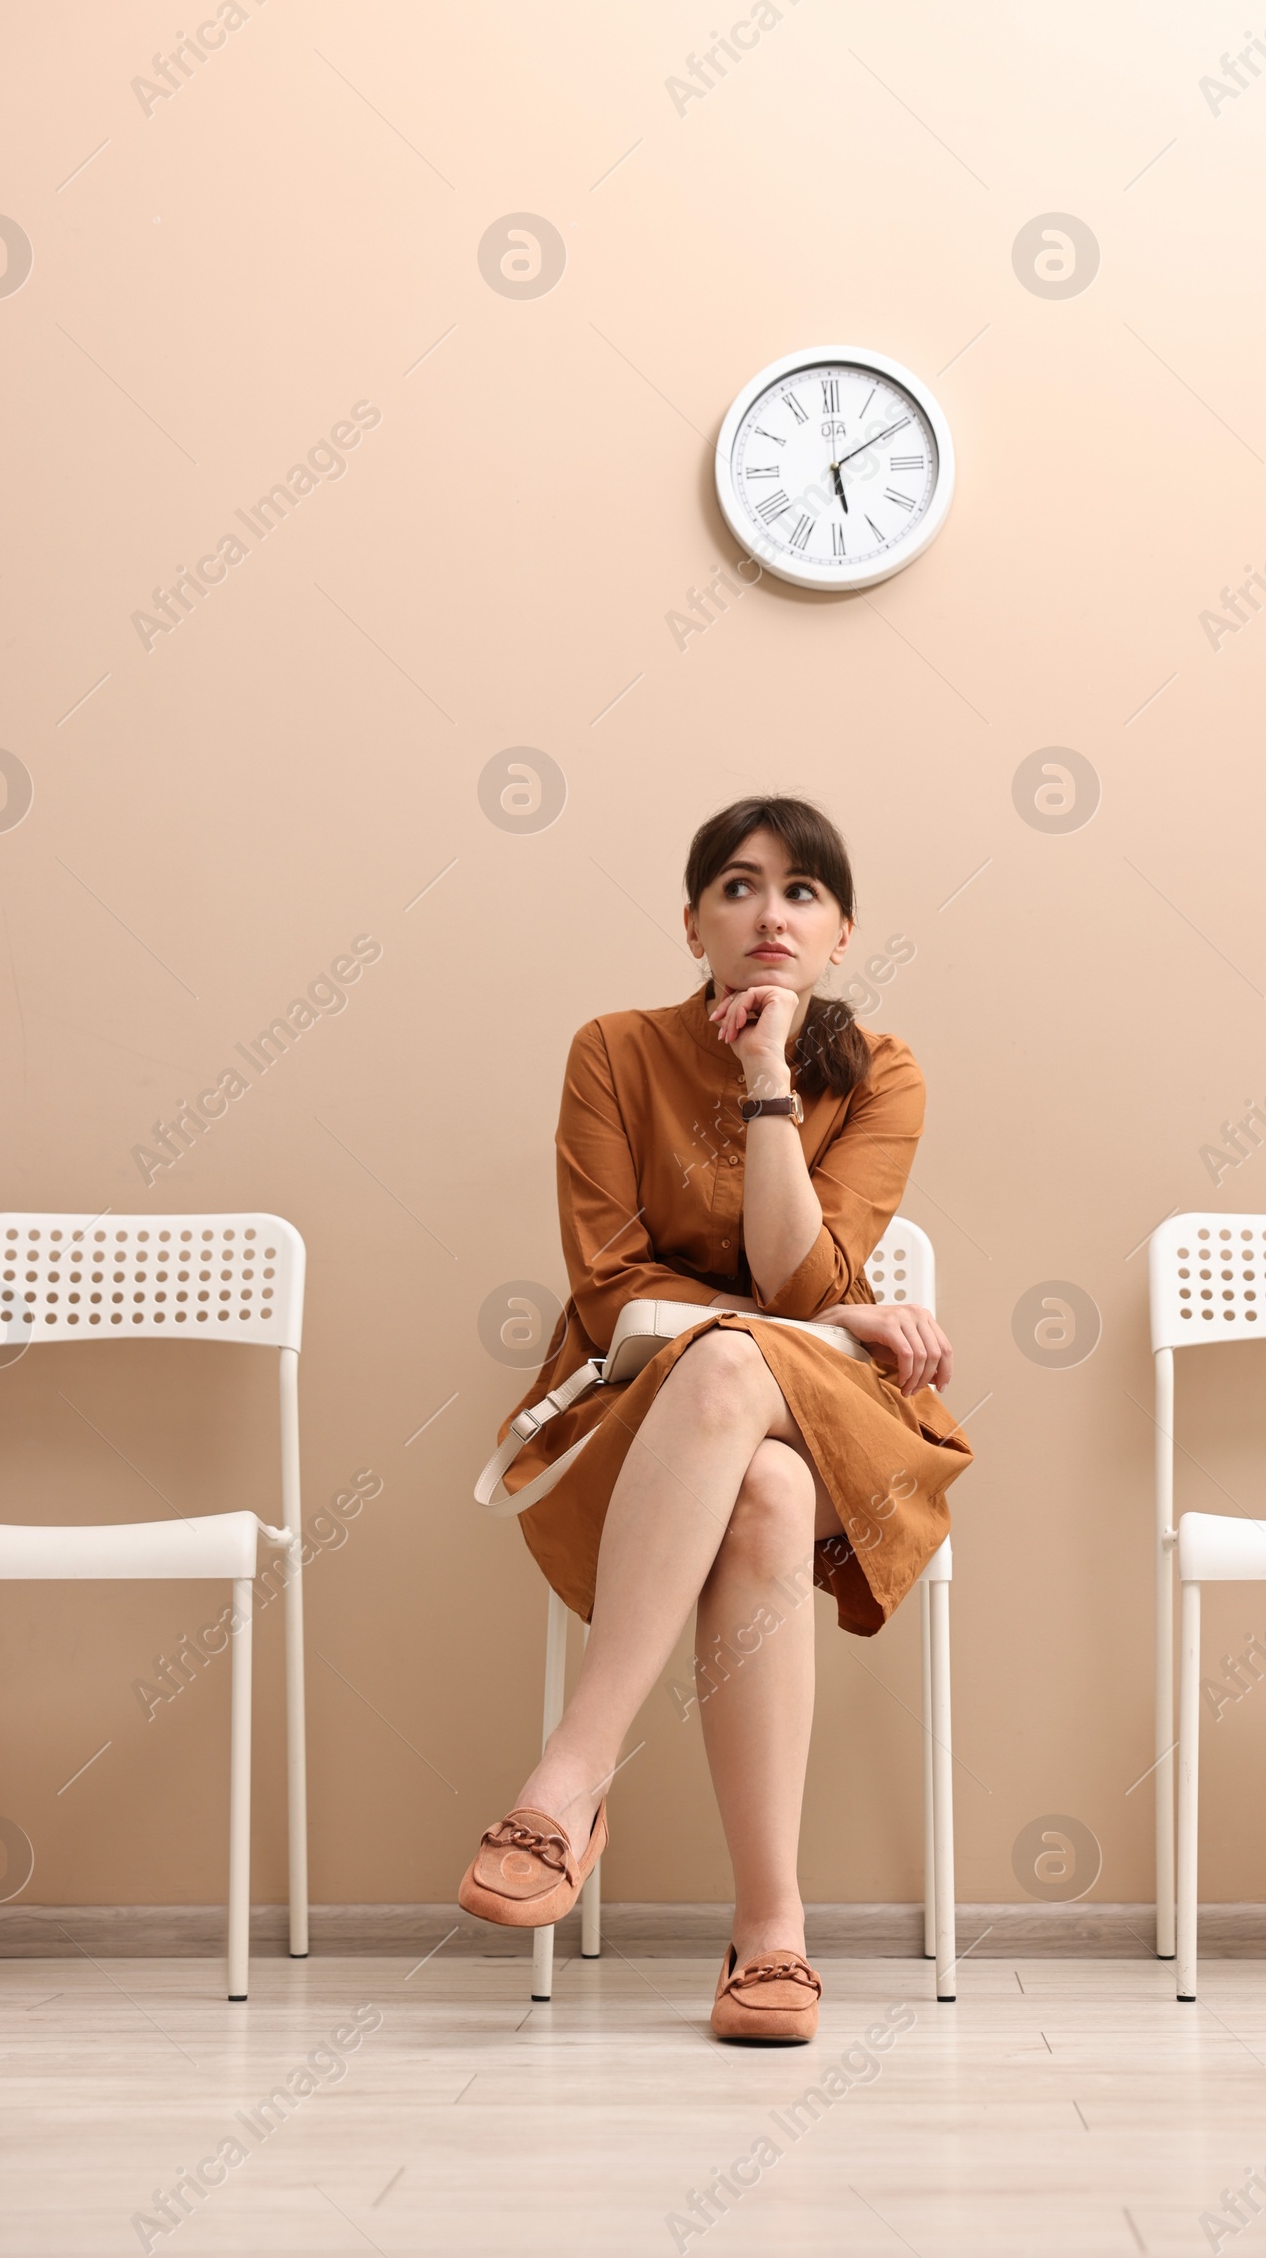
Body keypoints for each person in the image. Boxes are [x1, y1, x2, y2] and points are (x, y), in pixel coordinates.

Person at [458, 794, 973, 2042]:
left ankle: (569, 1776)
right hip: (634, 1414)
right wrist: (828, 1322)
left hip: (830, 1410)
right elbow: (609, 1283)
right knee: (766, 1486)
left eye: (803, 891)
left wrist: (763, 1077)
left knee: (745, 1370)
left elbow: (800, 1283)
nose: (770, 912)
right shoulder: (611, 1049)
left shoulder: (882, 1071)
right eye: (738, 887)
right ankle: (772, 1929)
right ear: (693, 921)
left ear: (842, 929)